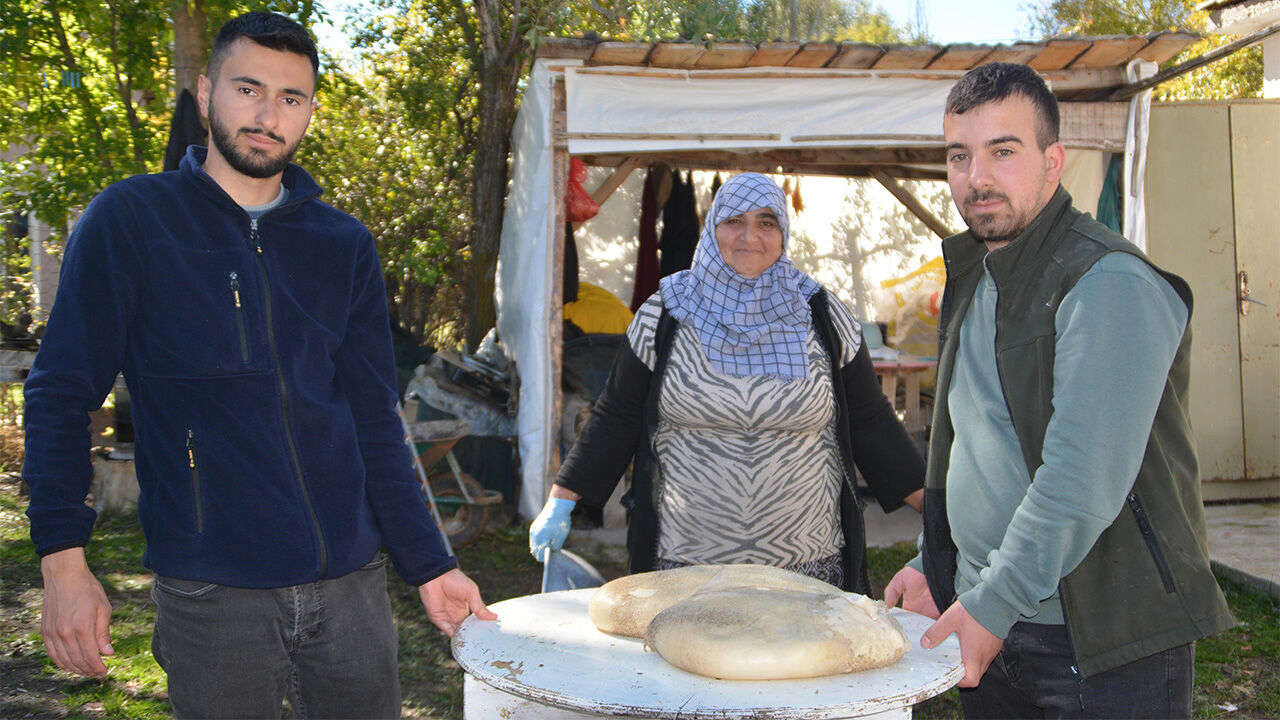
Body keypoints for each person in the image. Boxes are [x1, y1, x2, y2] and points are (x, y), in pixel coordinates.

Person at [23, 11, 495, 718]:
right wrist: (62, 557)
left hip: (351, 587)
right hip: (213, 592)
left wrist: (430, 563)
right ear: (208, 89)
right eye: (248, 89)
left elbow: (375, 421)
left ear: (309, 113)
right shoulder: (132, 221)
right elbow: (60, 392)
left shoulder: (343, 244)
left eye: (290, 98)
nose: (267, 115)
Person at [883, 62, 1235, 718]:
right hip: (994, 621)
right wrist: (941, 568)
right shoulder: (979, 277)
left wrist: (989, 602)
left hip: (1102, 642)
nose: (976, 177)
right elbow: (968, 445)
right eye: (960, 156)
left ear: (1054, 162)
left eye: (1003, 151)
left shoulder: (1107, 282)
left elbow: (1081, 479)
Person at [529, 172, 924, 593]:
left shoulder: (824, 317)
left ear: (784, 232)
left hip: (807, 569)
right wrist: (561, 500)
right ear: (713, 226)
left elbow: (870, 420)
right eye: (734, 220)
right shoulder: (665, 313)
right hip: (683, 567)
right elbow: (616, 415)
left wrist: (933, 513)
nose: (749, 236)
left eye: (766, 222)